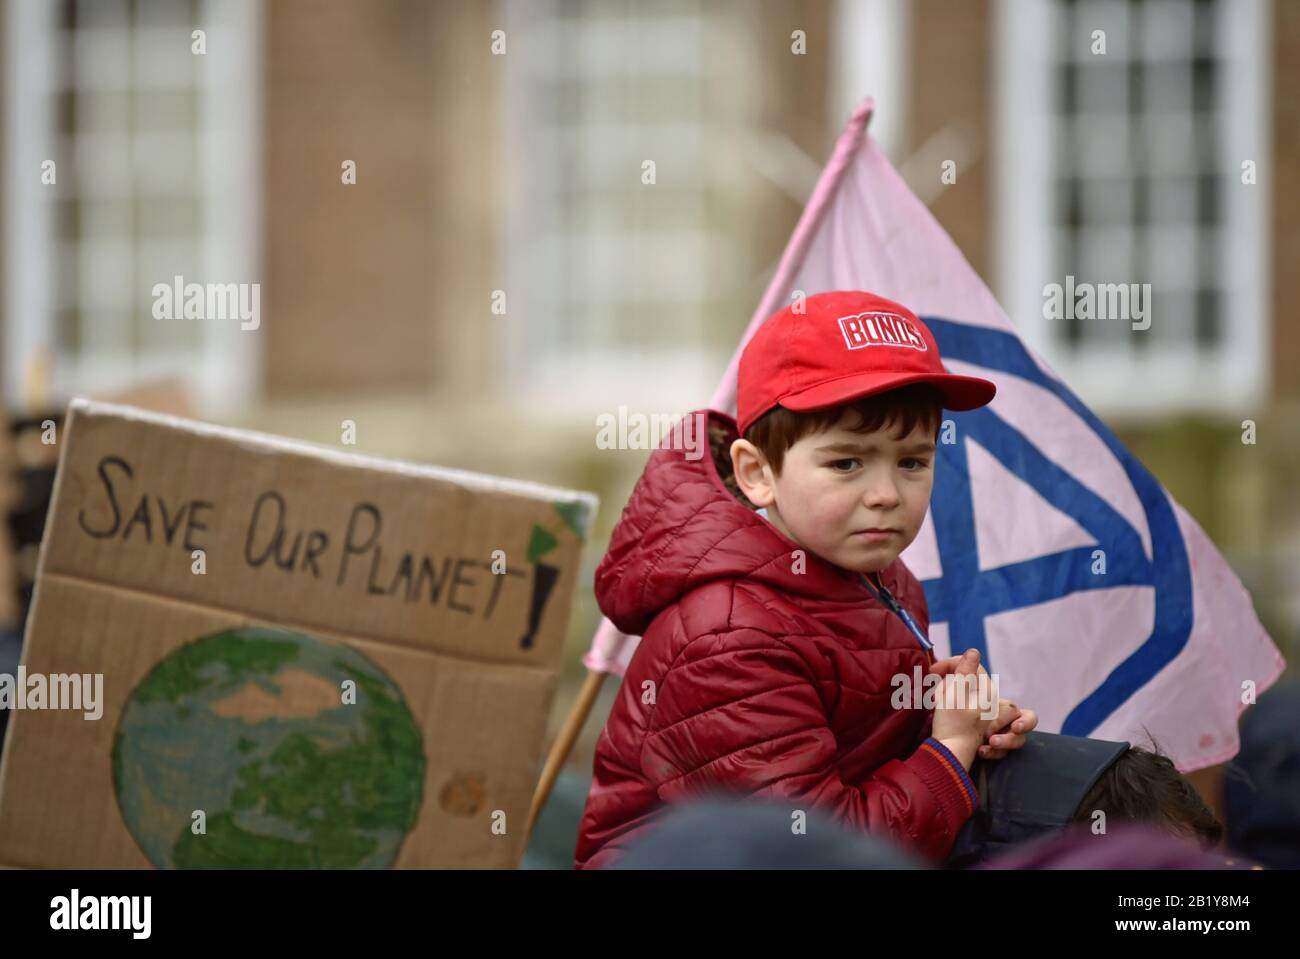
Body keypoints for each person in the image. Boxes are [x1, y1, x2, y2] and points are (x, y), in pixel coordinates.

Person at [575, 290, 1038, 869]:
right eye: (846, 463)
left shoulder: (878, 577)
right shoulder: (727, 639)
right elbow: (814, 853)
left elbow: (847, 742)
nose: (886, 494)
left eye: (912, 461)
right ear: (756, 473)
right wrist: (949, 753)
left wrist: (942, 713)